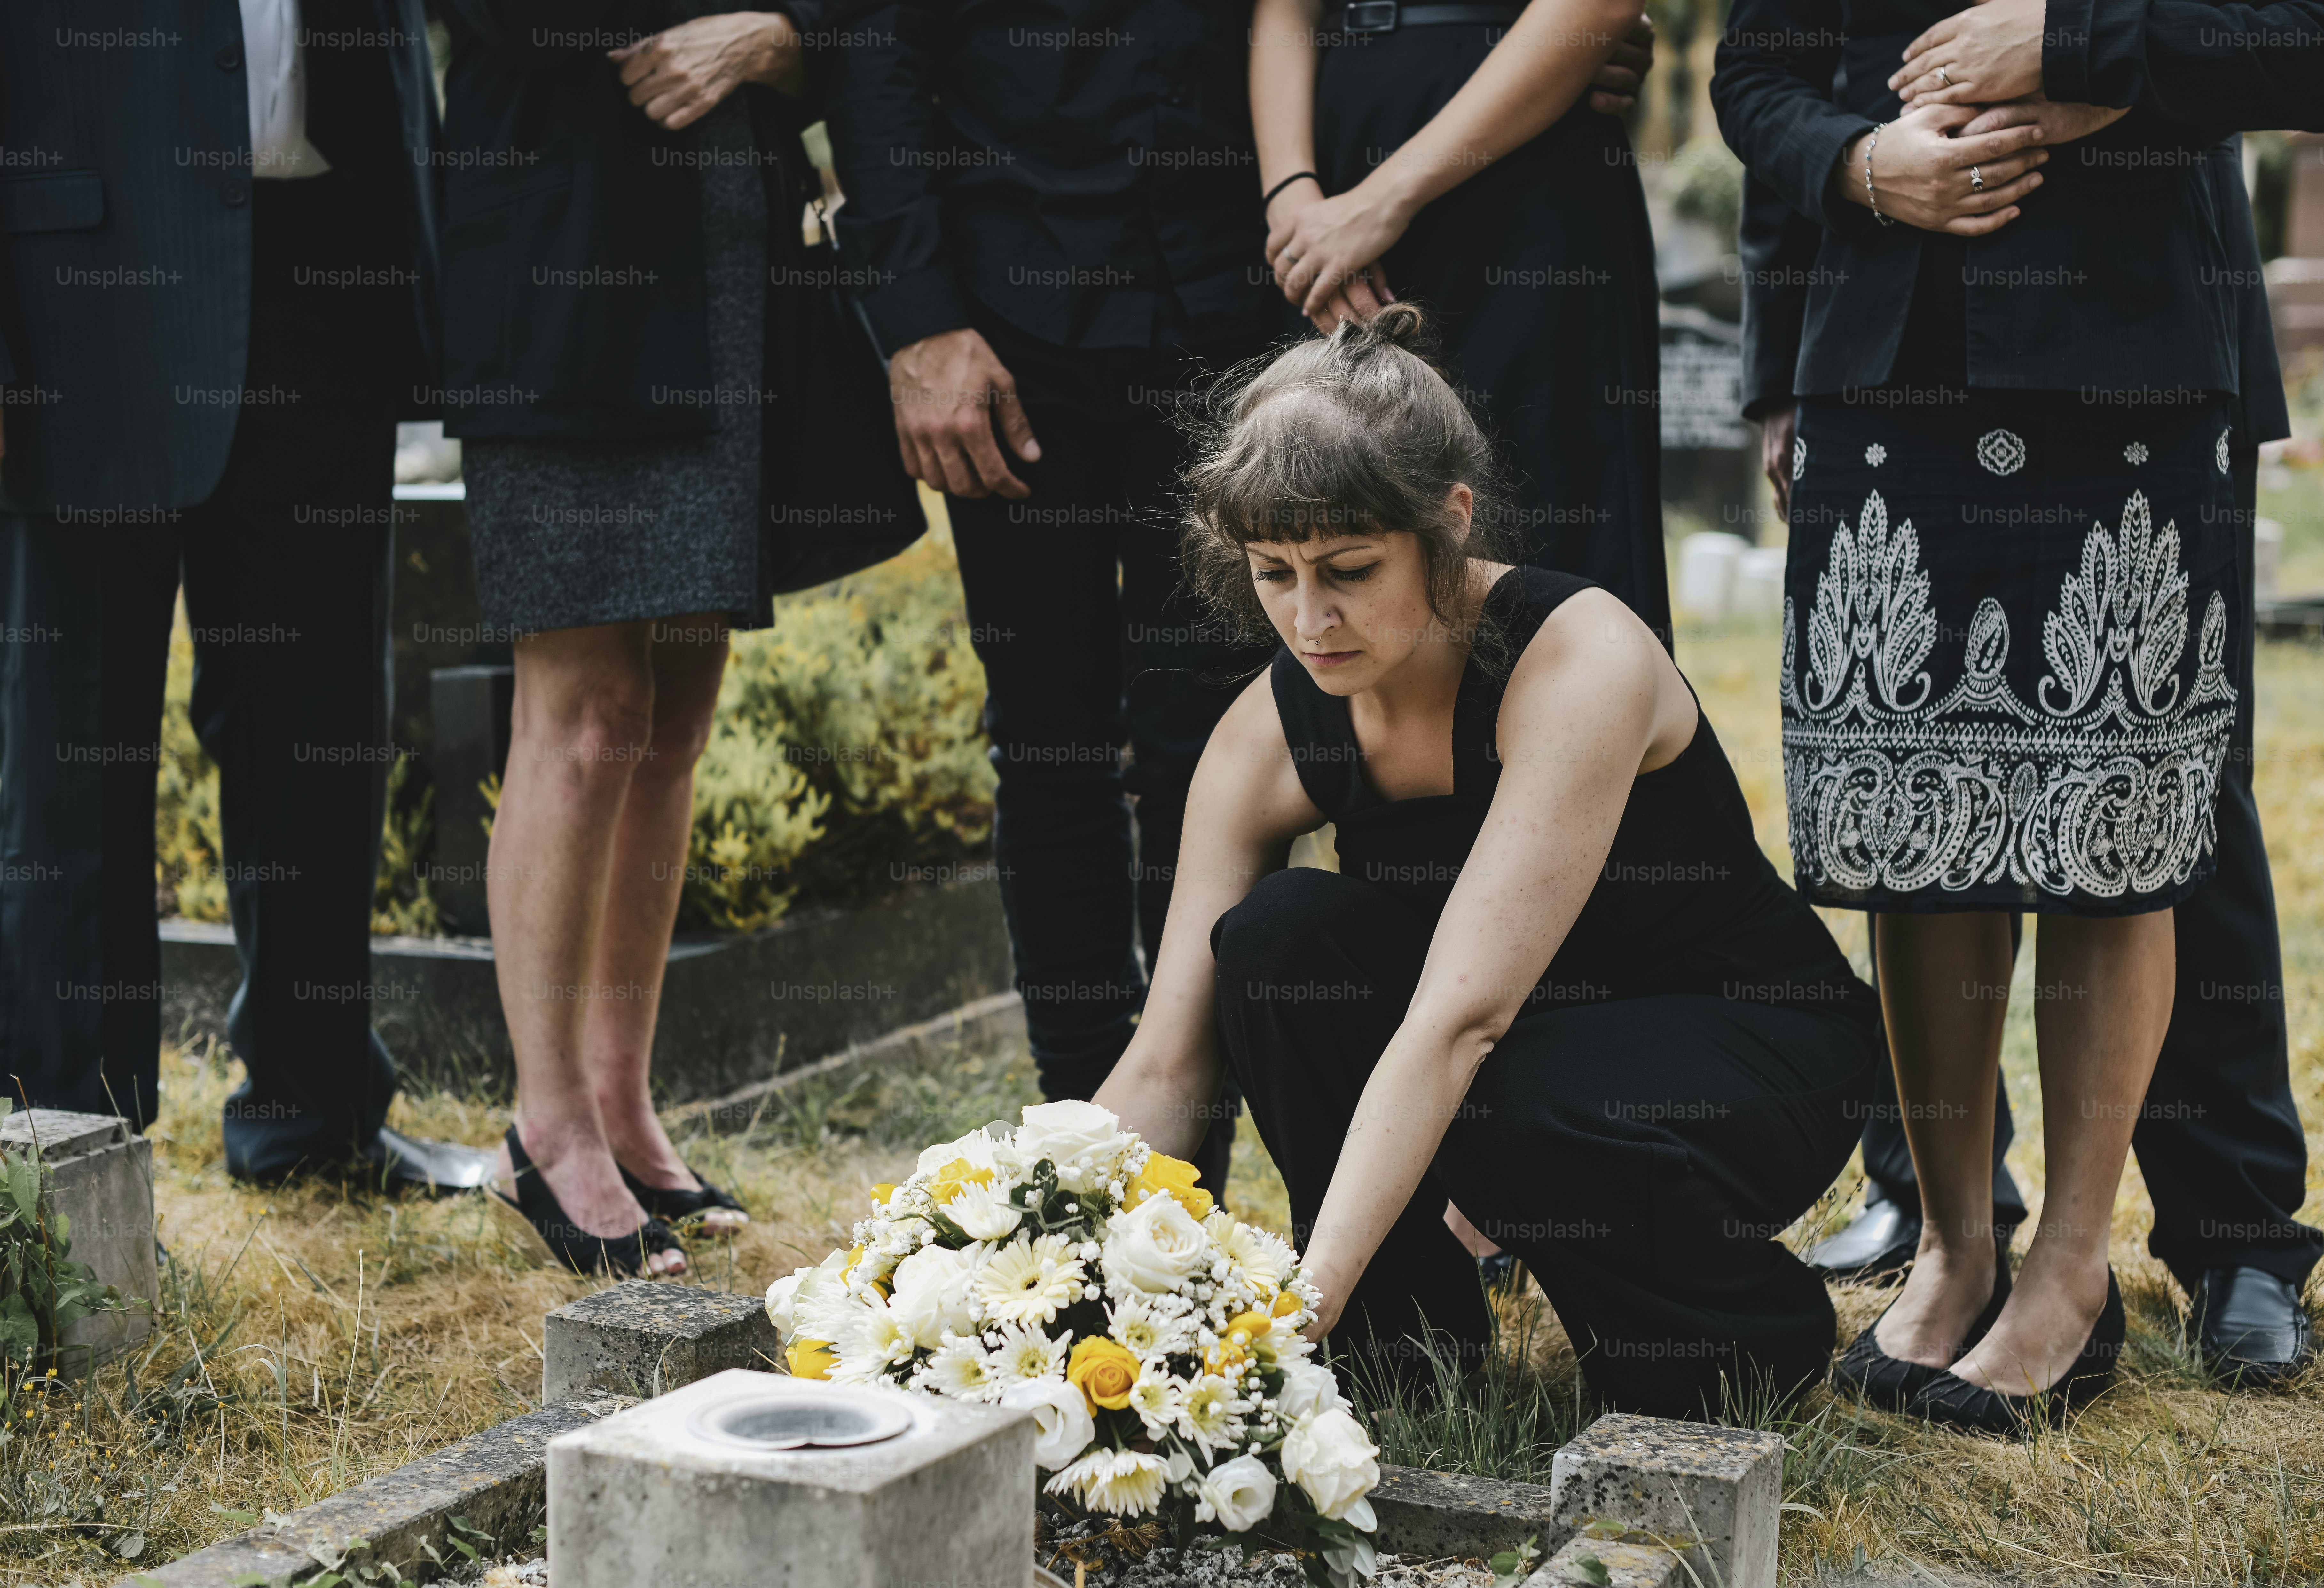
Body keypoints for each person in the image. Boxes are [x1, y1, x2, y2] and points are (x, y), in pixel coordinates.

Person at [827, 0, 1672, 1200]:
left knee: (1210, 746)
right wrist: (915, 315)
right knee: (1048, 740)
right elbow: (873, 46)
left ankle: (1189, 1167)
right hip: (1015, 311)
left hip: (1238, 314)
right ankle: (1081, 1148)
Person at [1090, 306, 1880, 1417]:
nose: (1308, 619)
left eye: (1349, 569)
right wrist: (1034, 1260)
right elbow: (1168, 1063)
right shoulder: (1263, 733)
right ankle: (1401, 1358)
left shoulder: (1578, 655)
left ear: (1446, 521)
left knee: (1502, 1088)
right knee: (1275, 941)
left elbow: (1460, 1022)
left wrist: (1281, 1322)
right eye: (1271, 573)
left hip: (1744, 1046)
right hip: (1515, 1063)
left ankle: (1742, 1340)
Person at [1714, 0, 2322, 1428]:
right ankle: (1949, 1245)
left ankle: (2069, 1274)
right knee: (1906, 811)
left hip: (2130, 338)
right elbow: (1755, 73)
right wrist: (1860, 165)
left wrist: (2068, 49)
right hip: (1879, 338)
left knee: (2113, 819)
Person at [0, 0, 492, 1192]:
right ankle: (63, 1160)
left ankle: (313, 1118)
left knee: (319, 728)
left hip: (331, 268)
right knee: (75, 748)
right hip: (82, 293)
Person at [437, 0, 881, 1273]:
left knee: (676, 712)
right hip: (560, 257)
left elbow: (851, 28)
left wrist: (768, 36)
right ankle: (547, 1123)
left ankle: (624, 1103)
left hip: (730, 257)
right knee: (587, 716)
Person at [1251, 0, 1672, 642]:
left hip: (1523, 166)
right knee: (1331, 511)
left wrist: (1385, 198)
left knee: (1545, 528)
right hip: (1328, 179)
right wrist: (1291, 200)